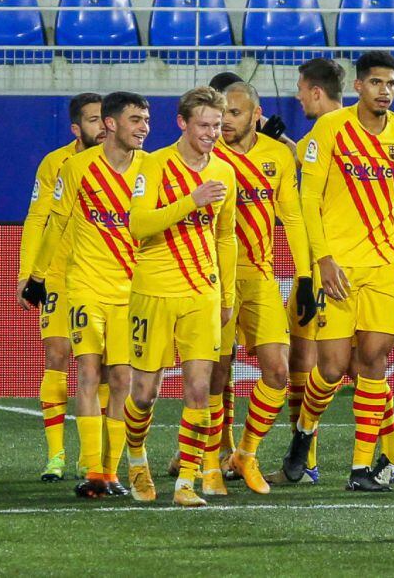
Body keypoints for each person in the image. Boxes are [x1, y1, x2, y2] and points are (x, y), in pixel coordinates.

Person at [282, 51, 394, 492]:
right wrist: (321, 259)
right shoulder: (330, 129)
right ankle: (304, 432)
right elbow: (309, 199)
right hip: (338, 266)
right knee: (332, 366)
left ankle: (361, 468)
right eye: (377, 83)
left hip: (384, 266)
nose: (385, 91)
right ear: (359, 86)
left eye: (391, 84)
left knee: (373, 361)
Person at [27, 92, 150, 498]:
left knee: (122, 379)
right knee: (87, 372)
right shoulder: (75, 168)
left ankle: (110, 472)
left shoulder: (152, 169)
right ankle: (91, 467)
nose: (144, 127)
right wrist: (37, 275)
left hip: (132, 290)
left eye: (146, 120)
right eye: (136, 120)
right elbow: (53, 222)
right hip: (86, 287)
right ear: (112, 124)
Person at [123, 86, 237, 507]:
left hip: (202, 293)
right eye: (204, 125)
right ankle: (136, 461)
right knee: (144, 393)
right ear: (182, 123)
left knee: (199, 390)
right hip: (154, 290)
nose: (211, 133)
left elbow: (226, 236)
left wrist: (226, 292)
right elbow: (138, 225)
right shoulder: (152, 166)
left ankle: (185, 481)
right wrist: (191, 201)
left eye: (218, 126)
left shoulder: (225, 172)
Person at [209, 81, 315, 495]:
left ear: (256, 114)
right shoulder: (207, 154)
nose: (226, 123)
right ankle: (214, 456)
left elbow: (292, 217)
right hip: (213, 280)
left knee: (277, 371)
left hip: (260, 277)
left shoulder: (278, 157)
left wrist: (304, 278)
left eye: (234, 113)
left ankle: (246, 454)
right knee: (215, 374)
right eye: (222, 115)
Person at [265, 57, 352, 486]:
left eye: (301, 89)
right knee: (362, 364)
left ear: (316, 91)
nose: (298, 97)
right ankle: (389, 457)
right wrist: (285, 142)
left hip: (330, 261)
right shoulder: (348, 131)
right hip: (344, 261)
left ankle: (308, 455)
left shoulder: (328, 130)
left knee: (323, 362)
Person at [17, 93, 106, 482]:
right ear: (76, 128)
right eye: (92, 121)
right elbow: (37, 218)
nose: (102, 127)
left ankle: (94, 458)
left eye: (105, 119)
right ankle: (56, 457)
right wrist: (27, 272)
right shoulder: (56, 164)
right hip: (59, 275)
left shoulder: (131, 164)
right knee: (58, 354)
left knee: (102, 368)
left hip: (104, 276)